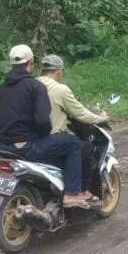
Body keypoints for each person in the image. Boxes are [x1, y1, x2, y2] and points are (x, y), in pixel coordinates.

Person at [0, 45, 100, 209]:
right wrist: (42, 135)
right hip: (27, 146)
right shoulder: (35, 87)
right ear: (31, 62)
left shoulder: (2, 88)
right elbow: (43, 121)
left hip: (4, 147)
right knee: (73, 144)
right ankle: (71, 194)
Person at [36, 54, 109, 193]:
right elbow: (81, 114)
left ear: (41, 71)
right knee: (86, 148)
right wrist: (102, 118)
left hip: (31, 139)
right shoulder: (60, 89)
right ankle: (79, 192)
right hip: (51, 140)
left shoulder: (31, 85)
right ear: (58, 72)